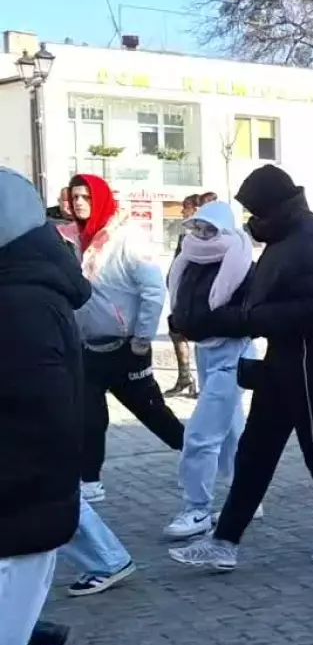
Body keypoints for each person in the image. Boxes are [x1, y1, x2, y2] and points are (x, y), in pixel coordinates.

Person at [0, 167, 172, 645]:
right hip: (24, 513)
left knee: (182, 431)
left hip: (16, 522)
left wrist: (143, 337)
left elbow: (40, 428)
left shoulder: (21, 304)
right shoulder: (22, 290)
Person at [169, 165, 313, 570]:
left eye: (255, 211)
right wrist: (227, 318)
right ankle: (224, 541)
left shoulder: (307, 238)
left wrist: (248, 320)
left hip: (311, 357)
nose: (251, 220)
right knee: (255, 450)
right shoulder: (286, 235)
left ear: (273, 207)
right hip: (284, 357)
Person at [70, 173, 184, 503]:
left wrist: (142, 338)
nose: (79, 203)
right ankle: (90, 481)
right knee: (89, 417)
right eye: (75, 197)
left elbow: (152, 289)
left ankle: (199, 456)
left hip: (126, 347)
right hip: (89, 347)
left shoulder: (127, 238)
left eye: (87, 197)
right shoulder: (79, 239)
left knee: (153, 413)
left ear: (101, 199)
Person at [159, 200, 255, 541]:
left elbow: (249, 314)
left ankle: (197, 508)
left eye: (209, 228)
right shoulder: (188, 257)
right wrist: (181, 322)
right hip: (204, 349)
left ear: (225, 229)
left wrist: (203, 322)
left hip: (233, 351)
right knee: (229, 430)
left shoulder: (241, 261)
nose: (201, 234)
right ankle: (247, 494)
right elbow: (180, 300)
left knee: (202, 434)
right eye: (197, 227)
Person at [164, 193, 202, 399]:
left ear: (194, 209)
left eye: (185, 208)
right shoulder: (186, 235)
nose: (182, 212)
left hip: (193, 297)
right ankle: (185, 377)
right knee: (176, 332)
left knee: (197, 337)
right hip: (182, 294)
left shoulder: (199, 236)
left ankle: (194, 379)